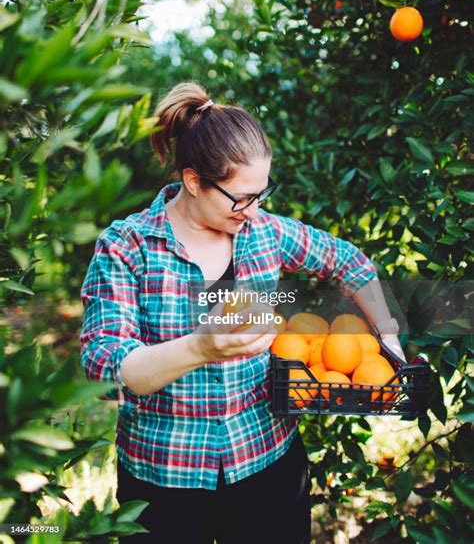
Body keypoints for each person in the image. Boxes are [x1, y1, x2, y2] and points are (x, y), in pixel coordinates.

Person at [80, 82, 406, 544]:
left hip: (266, 458)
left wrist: (387, 334)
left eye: (261, 195)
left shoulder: (266, 233)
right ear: (193, 181)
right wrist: (200, 347)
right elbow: (103, 366)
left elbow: (349, 261)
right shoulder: (128, 246)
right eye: (241, 199)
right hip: (163, 475)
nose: (253, 212)